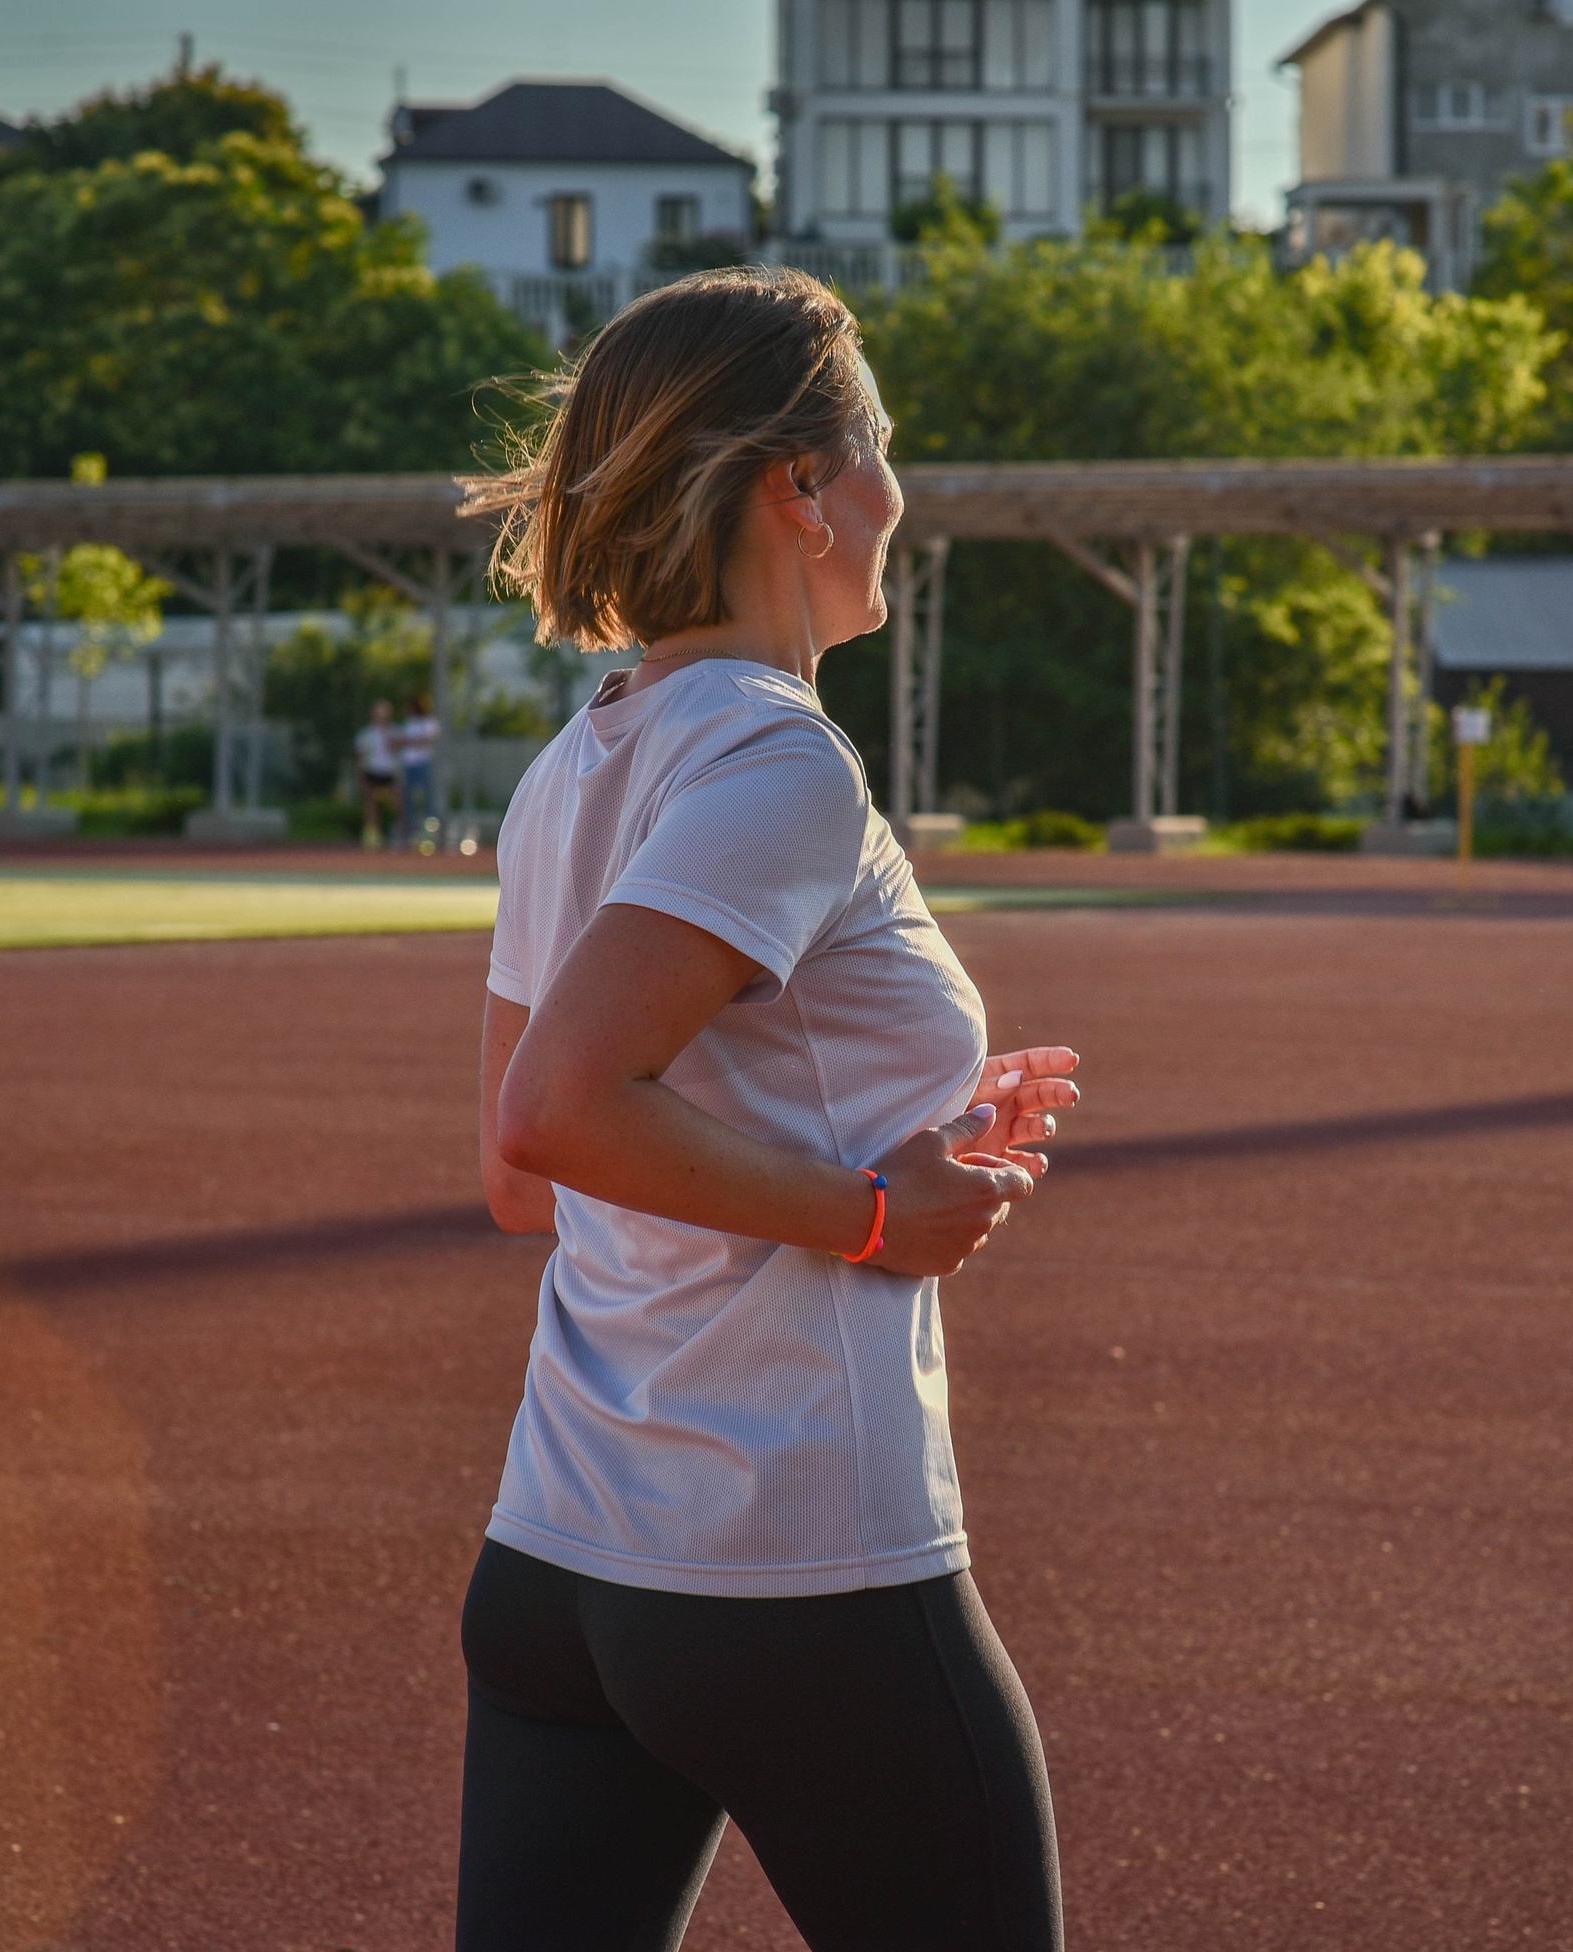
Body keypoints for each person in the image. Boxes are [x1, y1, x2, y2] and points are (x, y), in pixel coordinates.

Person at [454, 267, 1081, 1951]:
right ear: (798, 487)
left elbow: (534, 1173)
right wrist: (878, 1213)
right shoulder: (778, 760)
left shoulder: (578, 760)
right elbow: (558, 1116)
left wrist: (918, 1105)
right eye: (879, 446)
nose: (898, 492)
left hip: (561, 1570)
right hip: (792, 1561)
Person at [354, 699, 400, 848]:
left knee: (397, 803)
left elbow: (398, 752)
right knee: (371, 804)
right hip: (372, 771)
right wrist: (361, 778)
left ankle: (399, 832)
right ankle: (372, 835)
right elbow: (360, 757)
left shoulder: (394, 731)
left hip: (389, 772)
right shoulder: (366, 734)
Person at [398, 690, 440, 849]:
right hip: (409, 765)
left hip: (423, 764)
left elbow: (427, 740)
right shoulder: (409, 723)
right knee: (408, 799)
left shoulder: (429, 722)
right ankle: (411, 833)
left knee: (426, 799)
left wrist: (408, 741)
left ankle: (430, 833)